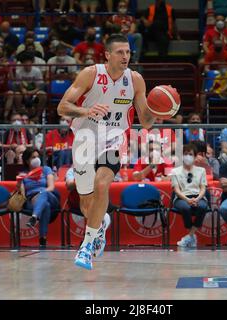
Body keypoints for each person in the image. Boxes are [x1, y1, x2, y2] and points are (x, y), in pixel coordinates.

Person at [58, 34, 160, 270]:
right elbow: (62, 107)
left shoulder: (135, 80)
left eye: (128, 52)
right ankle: (101, 223)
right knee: (86, 204)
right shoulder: (91, 74)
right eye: (120, 52)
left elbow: (145, 122)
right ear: (107, 54)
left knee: (103, 184)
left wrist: (161, 110)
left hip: (114, 138)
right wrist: (86, 111)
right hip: (84, 138)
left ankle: (86, 246)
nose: (126, 56)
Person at [19, 148, 60, 247]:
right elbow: (23, 194)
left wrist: (41, 193)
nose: (36, 159)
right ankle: (43, 238)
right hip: (31, 201)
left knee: (44, 194)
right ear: (27, 160)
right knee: (45, 205)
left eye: (37, 157)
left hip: (49, 195)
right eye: (33, 157)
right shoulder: (23, 175)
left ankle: (34, 217)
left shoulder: (46, 169)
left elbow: (51, 187)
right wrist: (19, 183)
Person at [171, 144, 209, 248]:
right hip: (181, 198)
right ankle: (191, 236)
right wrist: (187, 200)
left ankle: (189, 236)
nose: (188, 156)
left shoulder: (201, 171)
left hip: (198, 197)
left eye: (190, 154)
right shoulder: (175, 171)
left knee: (202, 206)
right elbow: (177, 190)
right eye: (185, 154)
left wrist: (197, 198)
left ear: (195, 156)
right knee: (186, 207)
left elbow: (203, 188)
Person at [14, 52, 47, 121]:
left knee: (43, 95)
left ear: (32, 62)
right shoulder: (18, 71)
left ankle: (37, 116)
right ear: (22, 63)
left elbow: (39, 86)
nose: (27, 64)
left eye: (28, 62)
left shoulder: (37, 71)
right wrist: (23, 90)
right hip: (23, 92)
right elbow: (19, 85)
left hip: (35, 91)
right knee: (17, 95)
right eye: (25, 62)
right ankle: (21, 115)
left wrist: (32, 92)